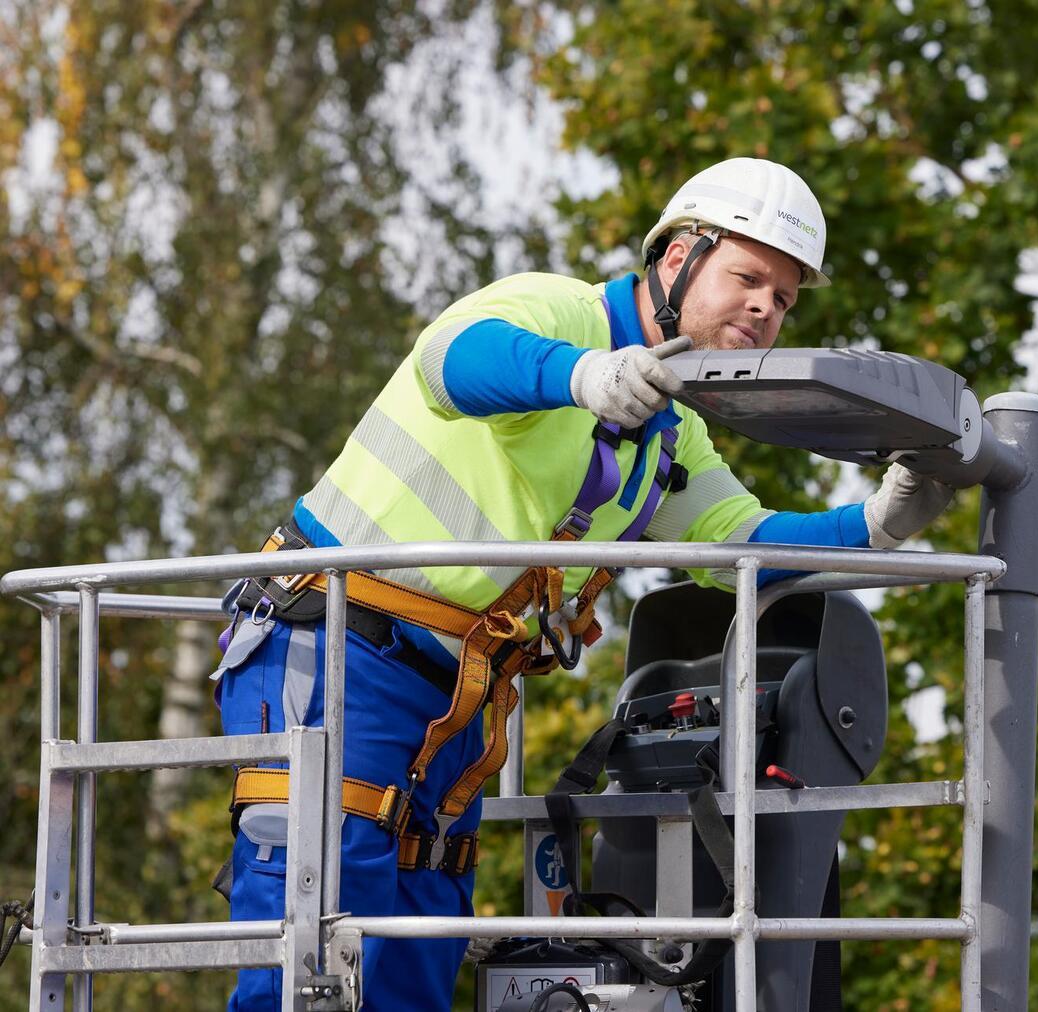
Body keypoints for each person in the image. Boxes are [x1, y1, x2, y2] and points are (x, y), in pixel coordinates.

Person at [212, 157, 953, 1010]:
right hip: (338, 645)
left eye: (784, 298)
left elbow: (746, 545)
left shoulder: (671, 434)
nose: (766, 308)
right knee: (313, 943)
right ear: (678, 257)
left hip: (451, 700)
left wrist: (875, 526)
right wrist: (583, 375)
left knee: (412, 948)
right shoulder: (554, 310)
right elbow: (450, 359)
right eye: (749, 277)